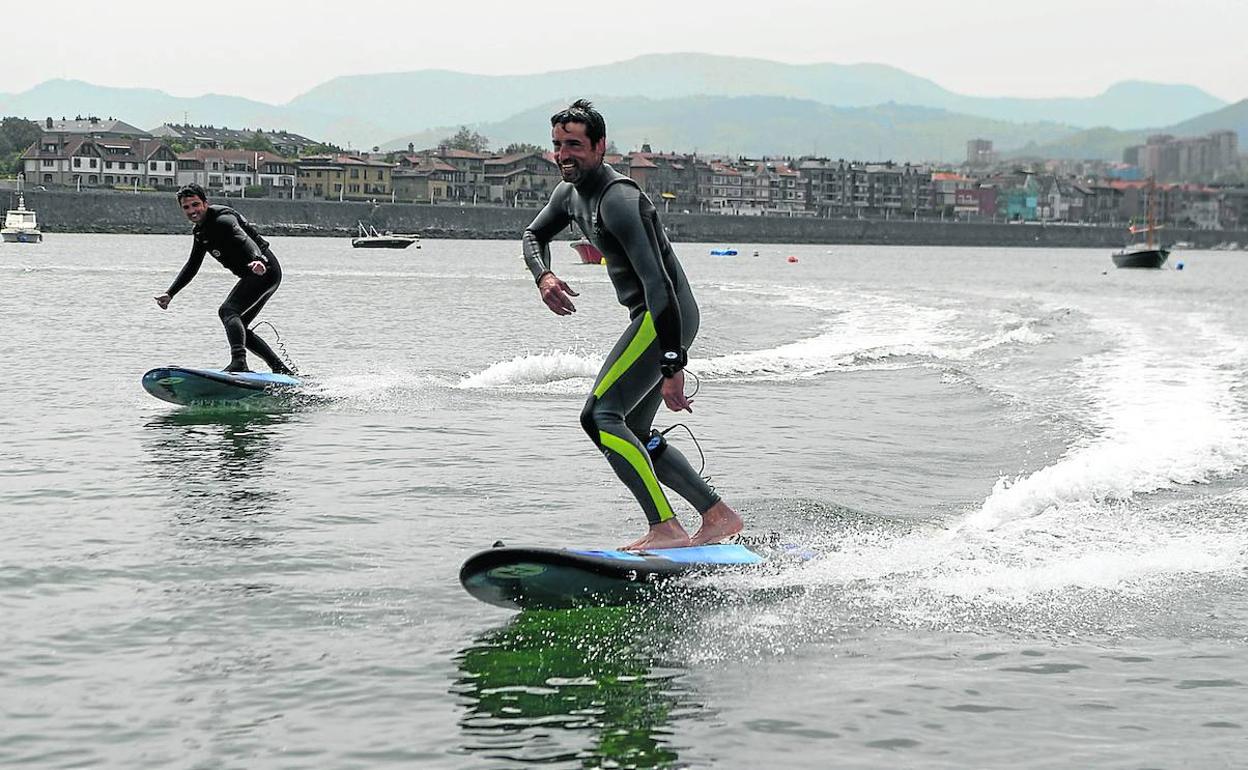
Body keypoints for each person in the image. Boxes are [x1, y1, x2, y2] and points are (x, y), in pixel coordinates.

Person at [521, 99, 743, 550]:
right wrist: (543, 275)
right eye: (558, 145)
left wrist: (670, 364)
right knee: (634, 431)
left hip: (665, 315)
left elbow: (659, 285)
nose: (564, 154)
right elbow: (532, 236)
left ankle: (666, 527)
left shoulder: (620, 200)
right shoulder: (567, 195)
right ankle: (718, 516)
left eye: (575, 145)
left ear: (600, 146)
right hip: (652, 317)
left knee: (599, 416)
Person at [155, 184, 293, 375]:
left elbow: (244, 239)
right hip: (261, 273)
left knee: (228, 311)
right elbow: (192, 266)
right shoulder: (201, 232)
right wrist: (170, 293)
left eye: (196, 205)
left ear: (205, 203)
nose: (192, 211)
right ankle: (281, 370)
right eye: (186, 207)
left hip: (264, 270)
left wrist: (257, 259)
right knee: (240, 325)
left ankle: (239, 362)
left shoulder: (223, 220)